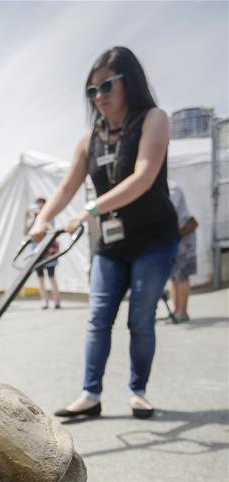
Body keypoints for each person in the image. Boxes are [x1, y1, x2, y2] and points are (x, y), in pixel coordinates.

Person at [29, 46, 178, 420]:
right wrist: (43, 219)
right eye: (92, 90)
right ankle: (90, 394)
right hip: (110, 244)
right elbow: (67, 186)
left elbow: (143, 177)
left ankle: (138, 392)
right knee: (98, 317)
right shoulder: (89, 139)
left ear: (130, 82)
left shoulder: (153, 119)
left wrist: (89, 210)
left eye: (107, 86)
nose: (99, 96)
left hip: (153, 240)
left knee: (140, 318)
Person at [24, 198, 62, 309]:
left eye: (41, 206)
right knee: (40, 278)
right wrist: (27, 218)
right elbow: (26, 233)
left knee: (51, 276)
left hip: (48, 251)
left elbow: (50, 230)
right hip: (37, 252)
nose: (39, 209)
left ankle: (57, 301)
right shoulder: (32, 220)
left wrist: (42, 220)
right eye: (38, 207)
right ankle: (45, 301)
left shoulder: (49, 218)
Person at [168, 182, 197, 323]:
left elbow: (170, 209)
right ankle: (175, 310)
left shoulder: (172, 187)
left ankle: (183, 313)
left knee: (182, 275)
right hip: (173, 237)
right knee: (173, 276)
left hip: (184, 235)